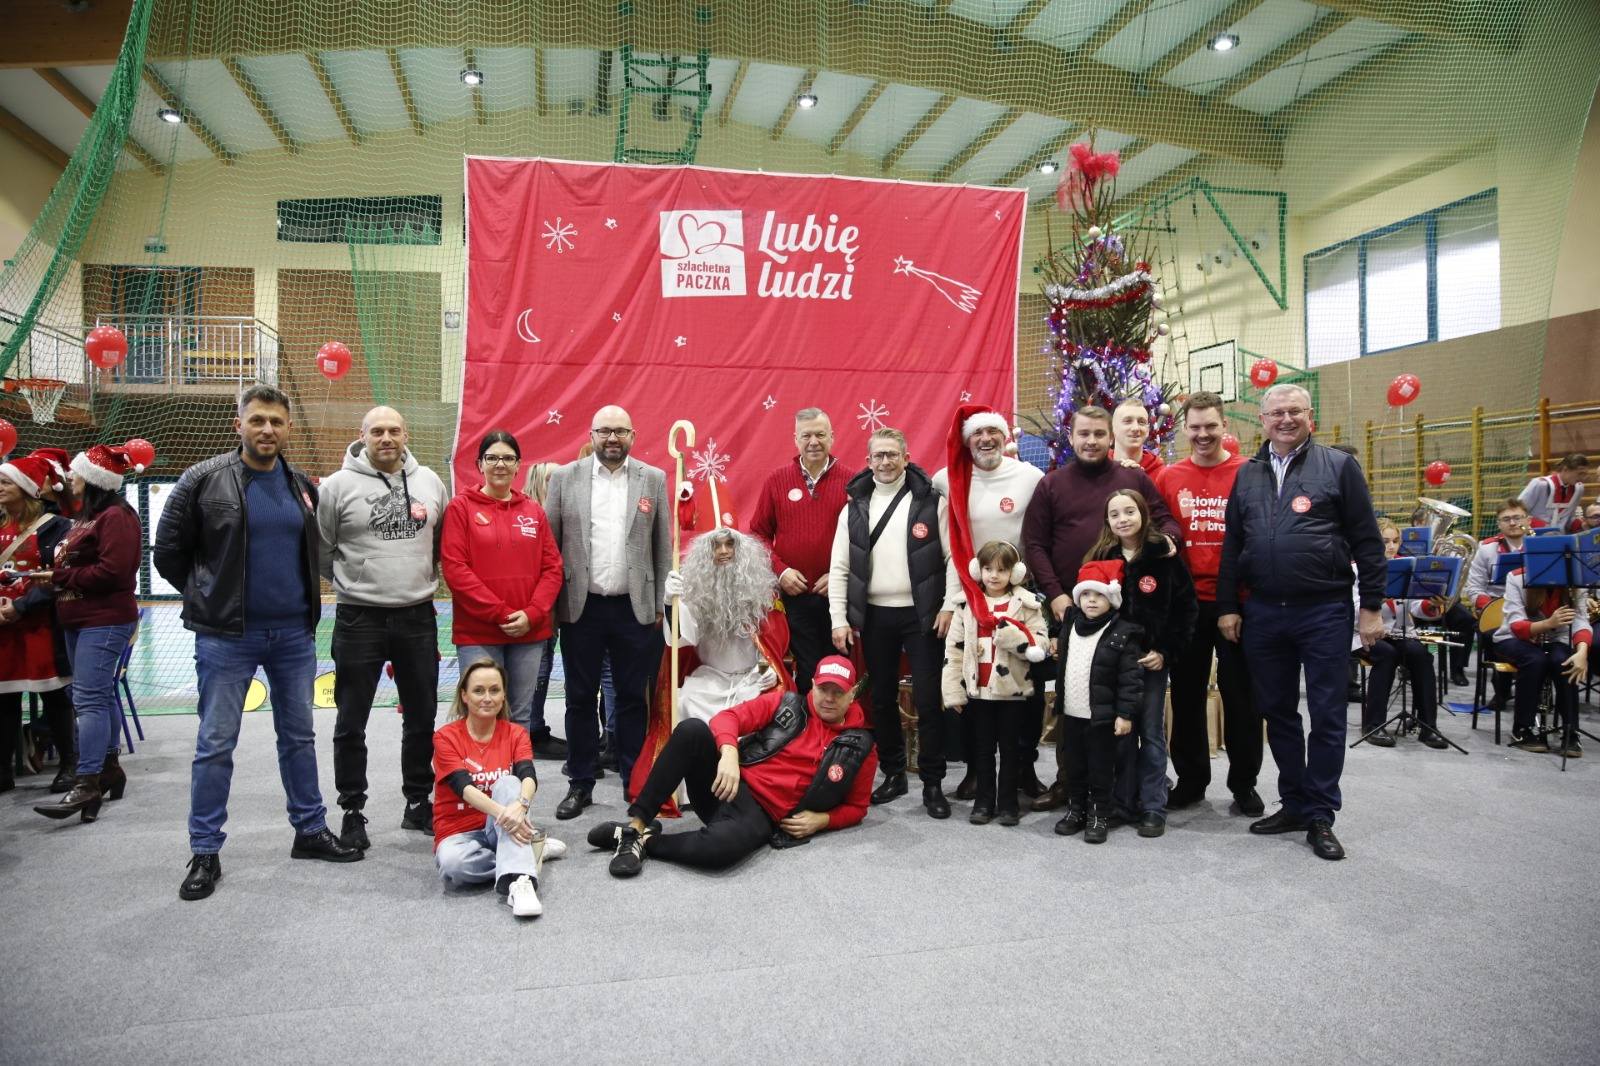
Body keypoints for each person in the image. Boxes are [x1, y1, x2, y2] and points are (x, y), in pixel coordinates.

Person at [155, 385, 361, 902]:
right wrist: (210, 597)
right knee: (215, 744)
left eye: (276, 421)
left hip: (293, 634)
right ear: (238, 424)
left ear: (287, 428)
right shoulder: (202, 480)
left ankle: (310, 831)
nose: (267, 429)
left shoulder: (299, 484)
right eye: (258, 420)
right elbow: (168, 554)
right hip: (227, 638)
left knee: (298, 738)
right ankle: (205, 850)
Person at [1216, 383, 1385, 862]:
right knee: (1279, 713)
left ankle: (1320, 815)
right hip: (1265, 611)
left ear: (1311, 417)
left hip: (1325, 609)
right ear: (1262, 421)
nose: (1285, 420)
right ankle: (1293, 802)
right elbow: (1233, 546)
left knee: (1328, 715)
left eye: (1294, 412)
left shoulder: (1338, 466)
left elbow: (1368, 541)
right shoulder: (1246, 475)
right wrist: (1228, 605)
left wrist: (1370, 606)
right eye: (1275, 413)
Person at [588, 655, 877, 877]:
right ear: (812, 685)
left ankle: (640, 841)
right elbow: (727, 719)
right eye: (823, 689)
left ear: (852, 694)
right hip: (728, 784)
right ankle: (636, 823)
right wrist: (728, 754)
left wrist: (822, 821)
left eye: (838, 692)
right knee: (692, 731)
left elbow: (857, 808)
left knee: (719, 853)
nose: (828, 698)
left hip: (763, 816)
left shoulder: (861, 747)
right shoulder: (786, 703)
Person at [1022, 404, 1178, 812]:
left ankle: (1125, 794)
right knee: (1072, 703)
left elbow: (1166, 522)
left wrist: (1164, 546)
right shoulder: (1051, 484)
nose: (1091, 441)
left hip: (1126, 618)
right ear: (1070, 437)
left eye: (1098, 434)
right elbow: (1034, 543)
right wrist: (1056, 593)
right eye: (1083, 434)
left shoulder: (1133, 479)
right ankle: (1067, 783)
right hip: (1072, 614)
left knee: (1122, 705)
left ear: (1111, 437)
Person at [318, 406, 450, 849]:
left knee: (421, 717)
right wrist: (356, 581)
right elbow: (321, 549)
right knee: (350, 720)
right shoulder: (336, 487)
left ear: (405, 433)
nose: (386, 438)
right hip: (359, 617)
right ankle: (352, 809)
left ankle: (418, 802)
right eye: (378, 431)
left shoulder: (431, 481)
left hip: (417, 615)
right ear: (363, 436)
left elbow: (440, 540)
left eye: (394, 430)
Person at [543, 405, 671, 819]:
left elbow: (662, 549)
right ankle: (580, 782)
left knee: (634, 699)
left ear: (633, 435)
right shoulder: (564, 478)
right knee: (580, 698)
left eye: (619, 432)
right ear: (592, 434)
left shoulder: (653, 478)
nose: (611, 439)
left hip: (636, 610)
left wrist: (659, 606)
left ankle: (635, 781)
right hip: (581, 609)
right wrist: (550, 606)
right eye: (604, 431)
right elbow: (550, 546)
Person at [828, 427, 950, 817]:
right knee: (880, 699)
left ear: (906, 456)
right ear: (868, 461)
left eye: (892, 455)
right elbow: (840, 567)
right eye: (878, 456)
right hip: (875, 617)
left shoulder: (932, 502)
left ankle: (933, 784)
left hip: (922, 616)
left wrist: (950, 605)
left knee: (929, 701)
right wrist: (838, 618)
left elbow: (953, 559)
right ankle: (894, 773)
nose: (885, 462)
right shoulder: (854, 508)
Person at [440, 429, 564, 802]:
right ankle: (475, 799)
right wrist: (499, 613)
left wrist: (532, 612)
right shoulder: (461, 509)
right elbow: (456, 569)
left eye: (507, 458)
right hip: (479, 631)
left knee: (519, 717)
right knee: (480, 711)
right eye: (492, 458)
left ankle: (515, 801)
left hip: (530, 632)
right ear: (479, 464)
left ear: (517, 465)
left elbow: (552, 569)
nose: (500, 464)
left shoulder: (533, 511)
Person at [1155, 392, 1263, 815]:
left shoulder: (1249, 473)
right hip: (1186, 606)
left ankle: (1244, 783)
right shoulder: (1168, 477)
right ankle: (1191, 780)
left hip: (1238, 602)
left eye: (1210, 426)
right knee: (1185, 696)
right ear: (1185, 429)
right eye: (1195, 427)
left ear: (1224, 426)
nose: (1203, 434)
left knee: (1242, 699)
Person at [934, 403, 1047, 802]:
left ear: (1004, 437)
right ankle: (978, 773)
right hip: (971, 599)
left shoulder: (1031, 478)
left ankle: (1025, 770)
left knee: (1025, 687)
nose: (985, 440)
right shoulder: (948, 481)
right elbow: (952, 551)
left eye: (992, 433)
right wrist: (950, 603)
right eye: (977, 435)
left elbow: (1039, 538)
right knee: (974, 684)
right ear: (967, 442)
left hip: (1018, 598)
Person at [31, 445, 144, 823]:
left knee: (90, 700)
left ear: (94, 480)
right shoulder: (86, 517)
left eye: (77, 474)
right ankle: (109, 768)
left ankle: (87, 779)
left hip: (105, 619)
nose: (71, 479)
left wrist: (58, 577)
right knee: (98, 695)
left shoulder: (117, 517)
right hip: (81, 619)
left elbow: (114, 573)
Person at [1089, 488, 1196, 837]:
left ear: (1143, 514)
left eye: (1129, 512)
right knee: (1120, 732)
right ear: (1107, 520)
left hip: (1150, 662)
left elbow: (1185, 610)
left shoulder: (1164, 556)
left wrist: (1165, 651)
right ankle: (1122, 801)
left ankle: (1153, 804)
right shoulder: (1101, 556)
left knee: (1150, 732)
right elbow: (1088, 609)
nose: (1123, 519)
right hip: (1112, 665)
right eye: (1115, 514)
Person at [432, 658, 568, 919]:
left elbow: (528, 776)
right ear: (464, 695)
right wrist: (506, 813)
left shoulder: (515, 733)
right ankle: (527, 854)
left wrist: (522, 804)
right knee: (453, 866)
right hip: (460, 832)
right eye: (478, 690)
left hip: (501, 828)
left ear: (504, 694)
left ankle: (520, 882)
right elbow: (464, 788)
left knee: (509, 783)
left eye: (494, 690)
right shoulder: (445, 737)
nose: (487, 698)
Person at [941, 540, 1048, 825]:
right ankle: (984, 801)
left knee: (1011, 749)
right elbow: (954, 651)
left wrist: (1016, 641)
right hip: (979, 692)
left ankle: (1009, 802)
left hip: (1011, 691)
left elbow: (1041, 642)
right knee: (982, 749)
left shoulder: (1027, 603)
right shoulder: (967, 603)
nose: (994, 575)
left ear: (1015, 573)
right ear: (978, 569)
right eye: (988, 568)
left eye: (1002, 570)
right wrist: (953, 692)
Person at [748, 408, 849, 695]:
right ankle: (806, 736)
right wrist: (781, 571)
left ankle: (837, 735)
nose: (814, 441)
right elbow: (757, 534)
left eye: (820, 434)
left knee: (837, 671)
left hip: (839, 597)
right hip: (793, 598)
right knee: (806, 673)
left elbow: (864, 540)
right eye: (807, 435)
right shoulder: (777, 480)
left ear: (832, 436)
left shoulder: (854, 482)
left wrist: (841, 574)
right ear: (796, 439)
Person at [1052, 560, 1144, 844]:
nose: (1092, 601)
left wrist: (1125, 714)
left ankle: (1098, 813)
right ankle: (1076, 809)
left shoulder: (1122, 632)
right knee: (1074, 765)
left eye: (1100, 595)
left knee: (1100, 768)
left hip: (1101, 718)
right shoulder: (1070, 625)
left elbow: (1131, 678)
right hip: (1071, 712)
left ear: (1112, 599)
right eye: (1087, 595)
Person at [0, 453, 74, 794]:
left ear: (26, 488)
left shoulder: (57, 526)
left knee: (55, 698)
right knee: (4, 701)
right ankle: (3, 770)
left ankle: (70, 767)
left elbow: (60, 578)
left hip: (41, 625)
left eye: (6, 482)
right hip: (4, 627)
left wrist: (21, 605)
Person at [1359, 519, 1449, 750]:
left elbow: (1416, 606)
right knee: (1386, 655)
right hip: (1363, 634)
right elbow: (1351, 606)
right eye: (1385, 541)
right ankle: (1373, 725)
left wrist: (1431, 605)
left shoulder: (1408, 567)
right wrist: (1374, 602)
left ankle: (1428, 727)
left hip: (1398, 632)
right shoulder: (1358, 567)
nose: (1392, 546)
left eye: (1396, 541)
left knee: (1421, 654)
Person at [1494, 567, 1590, 756]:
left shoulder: (1575, 580)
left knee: (1564, 662)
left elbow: (1581, 620)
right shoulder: (1516, 577)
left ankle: (1571, 731)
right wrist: (1548, 623)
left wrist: (1582, 652)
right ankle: (1522, 729)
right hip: (1515, 638)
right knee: (1535, 660)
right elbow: (1516, 624)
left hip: (1557, 639)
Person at [520, 460, 569, 760]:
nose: (559, 483)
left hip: (560, 604)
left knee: (546, 665)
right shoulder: (529, 515)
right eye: (552, 478)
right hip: (538, 606)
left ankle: (535, 728)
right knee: (537, 667)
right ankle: (530, 732)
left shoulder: (562, 513)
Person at [1463, 497, 1531, 711]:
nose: (1512, 523)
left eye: (1517, 517)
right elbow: (1474, 589)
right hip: (1497, 610)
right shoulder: (1486, 549)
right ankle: (1501, 689)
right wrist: (1493, 608)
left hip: (1533, 610)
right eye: (1506, 519)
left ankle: (1532, 688)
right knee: (1493, 635)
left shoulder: (1540, 546)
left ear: (1528, 520)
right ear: (1499, 524)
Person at [1519, 453, 1589, 531]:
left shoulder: (1579, 489)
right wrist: (1532, 534)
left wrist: (1581, 525)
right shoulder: (1539, 484)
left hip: (1558, 538)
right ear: (1565, 470)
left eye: (1585, 474)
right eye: (1580, 474)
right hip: (1533, 536)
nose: (1583, 478)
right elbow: (1517, 515)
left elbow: (1568, 519)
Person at [1112, 396, 1165, 478]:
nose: (1135, 428)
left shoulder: (1161, 475)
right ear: (1113, 428)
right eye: (1128, 421)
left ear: (1147, 430)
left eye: (1141, 422)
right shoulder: (1097, 467)